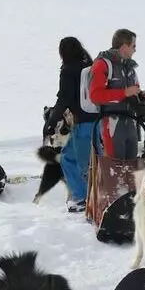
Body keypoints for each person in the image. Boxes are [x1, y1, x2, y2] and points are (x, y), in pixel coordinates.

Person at [43, 37, 97, 213]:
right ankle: (92, 195)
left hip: (83, 122)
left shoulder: (68, 70)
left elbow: (64, 98)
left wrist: (52, 121)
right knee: (89, 159)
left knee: (75, 160)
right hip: (100, 121)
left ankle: (82, 197)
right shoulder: (91, 67)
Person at [89, 29, 145, 160]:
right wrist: (124, 93)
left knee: (132, 171)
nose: (135, 50)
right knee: (114, 170)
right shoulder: (102, 65)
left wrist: (142, 95)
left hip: (131, 124)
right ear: (124, 46)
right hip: (111, 124)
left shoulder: (130, 68)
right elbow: (95, 96)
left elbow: (135, 91)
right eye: (133, 46)